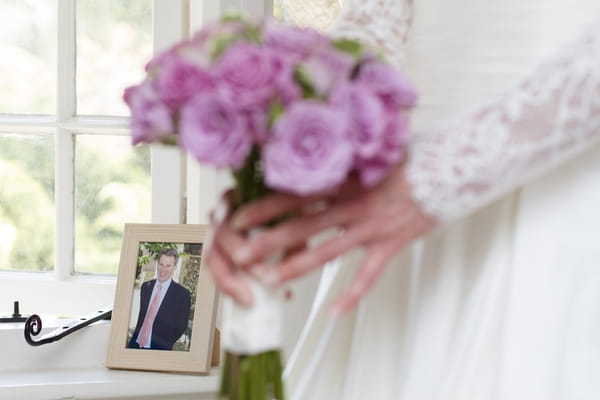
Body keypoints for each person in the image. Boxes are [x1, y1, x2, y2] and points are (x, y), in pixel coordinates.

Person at [207, 0, 600, 399]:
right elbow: (373, 28)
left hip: (553, 196)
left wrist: (437, 177)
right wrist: (282, 178)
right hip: (396, 219)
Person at [128, 247, 191, 351]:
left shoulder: (182, 294)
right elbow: (143, 318)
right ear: (157, 263)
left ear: (175, 267)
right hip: (135, 344)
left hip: (160, 348)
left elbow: (181, 325)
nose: (163, 269)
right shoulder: (146, 287)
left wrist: (165, 343)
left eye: (168, 266)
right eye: (161, 264)